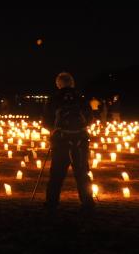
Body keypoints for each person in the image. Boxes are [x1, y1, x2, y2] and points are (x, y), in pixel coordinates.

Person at [42, 72, 95, 212]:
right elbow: (90, 118)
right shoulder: (80, 98)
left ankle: (52, 203)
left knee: (57, 174)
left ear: (58, 84)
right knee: (82, 172)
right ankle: (87, 202)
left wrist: (54, 131)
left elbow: (46, 121)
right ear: (72, 83)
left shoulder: (54, 99)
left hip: (61, 141)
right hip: (81, 141)